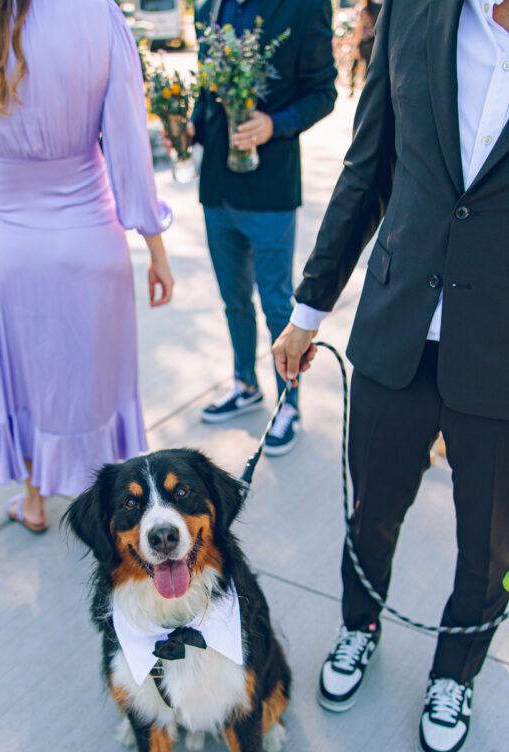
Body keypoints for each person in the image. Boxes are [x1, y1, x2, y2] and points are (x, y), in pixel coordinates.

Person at [273, 0, 509, 752]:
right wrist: (308, 308)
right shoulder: (413, 12)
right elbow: (366, 166)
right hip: (396, 324)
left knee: (490, 543)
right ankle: (358, 625)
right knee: (372, 507)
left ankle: (454, 674)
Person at [0, 0, 174, 532]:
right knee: (103, 378)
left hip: (13, 238)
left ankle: (35, 502)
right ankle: (117, 508)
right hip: (92, 230)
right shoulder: (96, 14)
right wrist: (156, 247)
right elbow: (128, 145)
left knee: (27, 374)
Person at [192, 0, 336, 455]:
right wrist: (191, 121)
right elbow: (206, 86)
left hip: (271, 189)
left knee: (277, 304)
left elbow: (323, 92)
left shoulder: (305, 6)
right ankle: (244, 384)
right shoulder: (209, 5)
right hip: (216, 184)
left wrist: (274, 123)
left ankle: (287, 404)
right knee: (233, 299)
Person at [349, 1, 380, 97]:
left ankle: (352, 89)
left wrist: (355, 46)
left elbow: (359, 29)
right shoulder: (378, 9)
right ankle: (369, 93)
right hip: (374, 43)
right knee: (369, 69)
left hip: (364, 42)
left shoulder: (363, 10)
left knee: (355, 66)